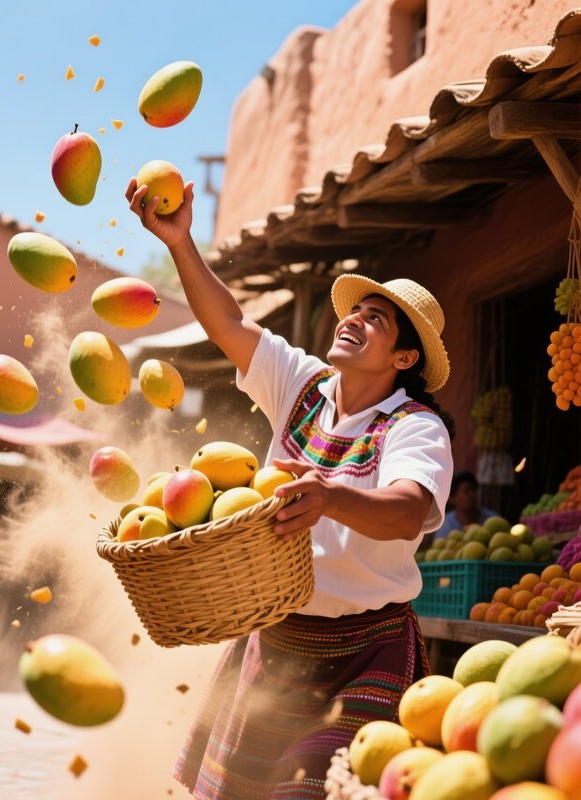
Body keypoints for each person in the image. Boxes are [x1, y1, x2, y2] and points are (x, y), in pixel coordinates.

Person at [126, 179, 454, 799]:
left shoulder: (414, 426)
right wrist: (179, 242)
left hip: (366, 650)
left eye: (376, 320)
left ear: (405, 360)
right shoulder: (301, 385)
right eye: (356, 310)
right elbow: (227, 320)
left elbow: (409, 511)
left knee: (311, 793)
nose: (354, 320)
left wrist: (330, 494)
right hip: (274, 641)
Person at [431, 470, 500, 540]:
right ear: (452, 498)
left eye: (474, 490)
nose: (472, 494)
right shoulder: (445, 526)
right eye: (466, 491)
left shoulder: (492, 519)